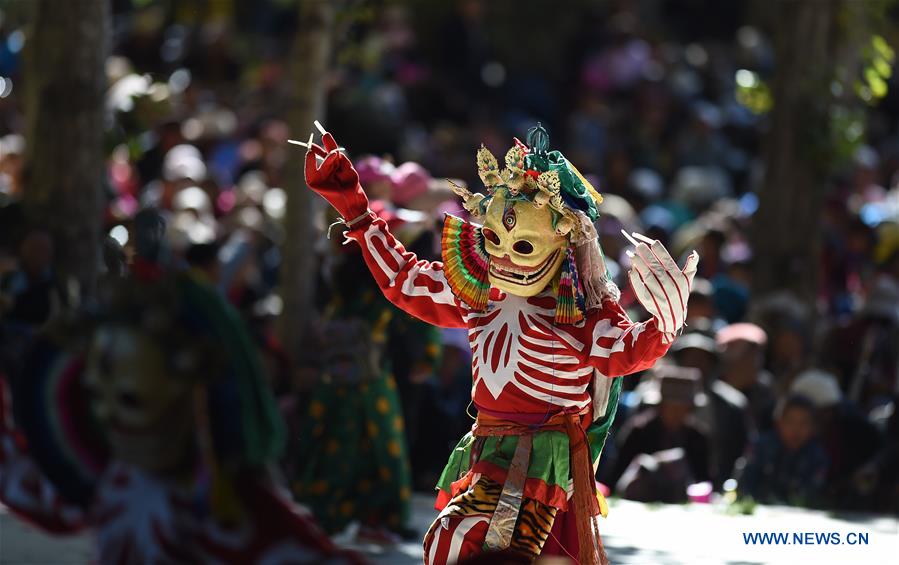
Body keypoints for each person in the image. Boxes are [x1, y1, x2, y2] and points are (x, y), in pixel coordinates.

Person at [301, 122, 698, 564]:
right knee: (479, 550)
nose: (505, 257)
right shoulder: (480, 290)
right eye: (494, 239)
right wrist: (355, 208)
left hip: (539, 460)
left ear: (562, 244)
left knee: (456, 541)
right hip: (488, 446)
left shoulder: (578, 311)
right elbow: (406, 280)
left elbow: (624, 351)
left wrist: (664, 323)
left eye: (523, 245)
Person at [0, 223, 363, 564]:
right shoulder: (119, 480)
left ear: (191, 396)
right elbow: (23, 483)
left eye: (130, 398)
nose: (108, 417)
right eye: (96, 396)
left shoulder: (238, 512)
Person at [613, 365, 711, 502]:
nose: (677, 413)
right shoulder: (639, 431)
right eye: (672, 406)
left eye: (682, 408)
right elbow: (617, 474)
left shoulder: (697, 437)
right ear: (661, 405)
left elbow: (703, 479)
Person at [738, 394, 829, 506]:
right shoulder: (761, 446)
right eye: (790, 421)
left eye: (804, 423)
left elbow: (812, 493)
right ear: (779, 422)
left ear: (813, 427)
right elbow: (745, 484)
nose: (796, 429)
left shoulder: (817, 456)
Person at [717, 322, 776, 431]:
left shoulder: (764, 391)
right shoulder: (714, 390)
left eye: (758, 352)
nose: (757, 360)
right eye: (748, 353)